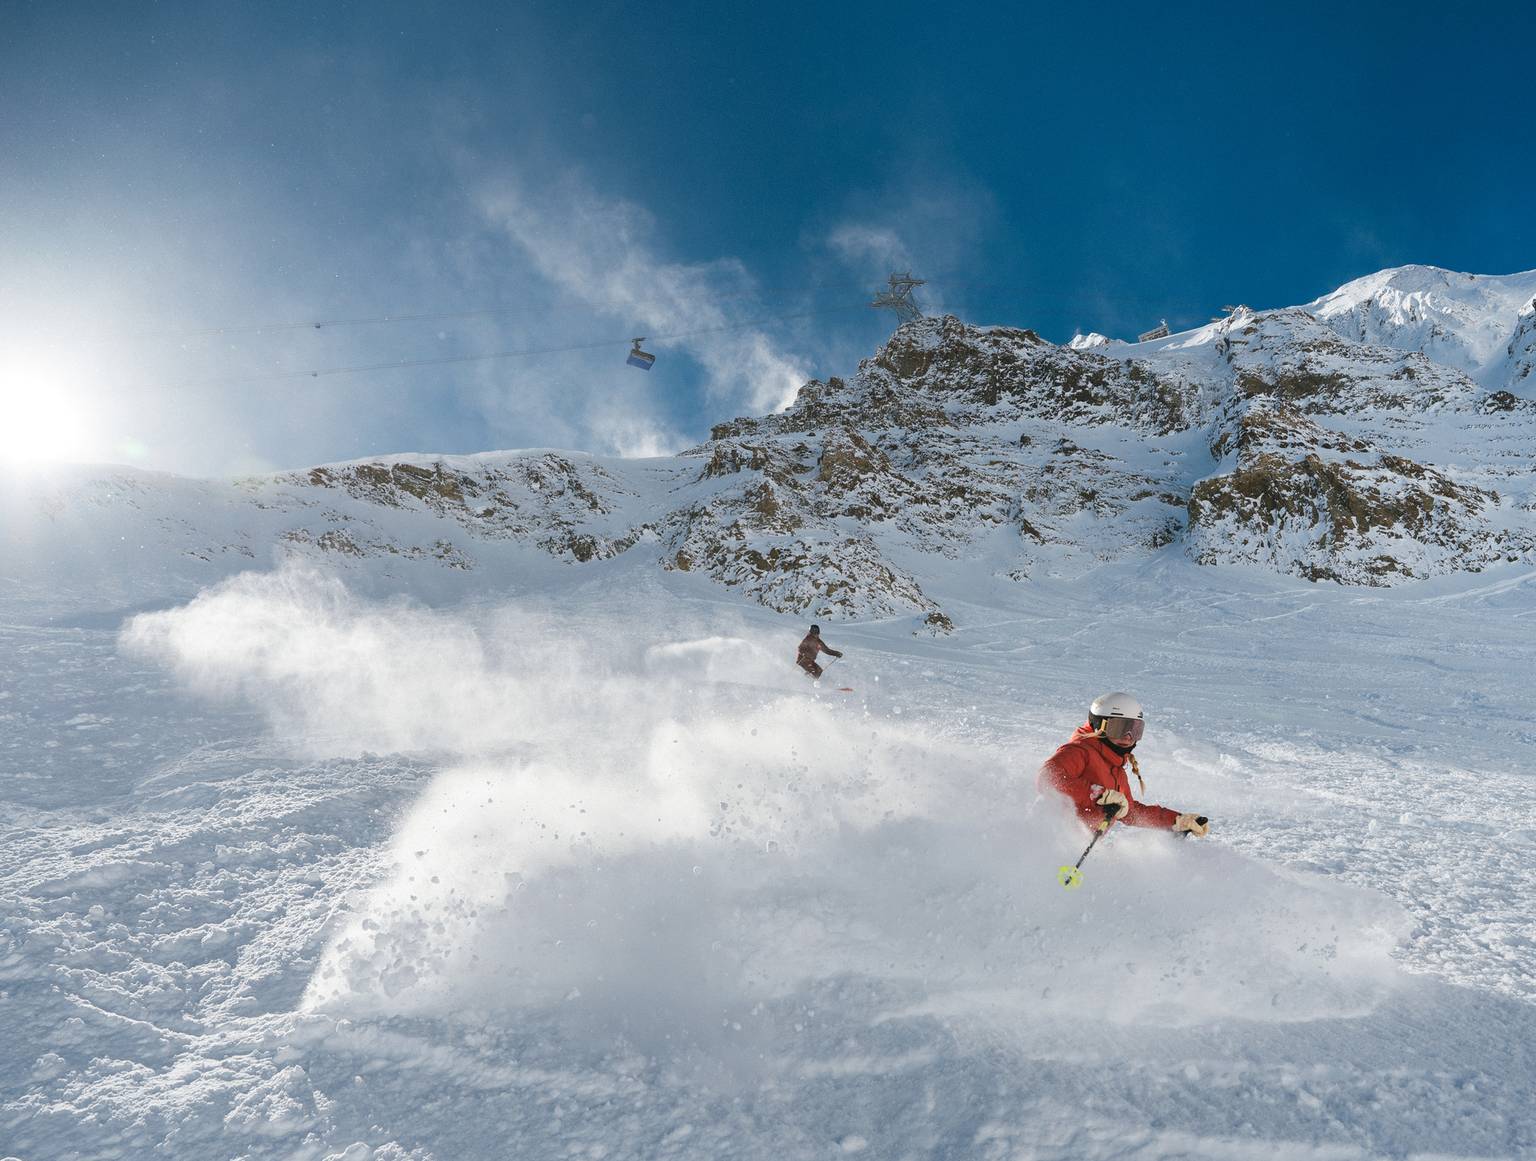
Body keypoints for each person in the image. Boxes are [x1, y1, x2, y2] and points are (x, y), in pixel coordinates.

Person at [1037, 691, 1209, 836]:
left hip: (1075, 848)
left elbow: (1129, 811)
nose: (1127, 737)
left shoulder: (1116, 769)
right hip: (1046, 840)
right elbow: (1048, 778)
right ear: (1099, 725)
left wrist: (1176, 820)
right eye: (1119, 727)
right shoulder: (1080, 751)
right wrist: (1097, 794)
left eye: (1134, 730)